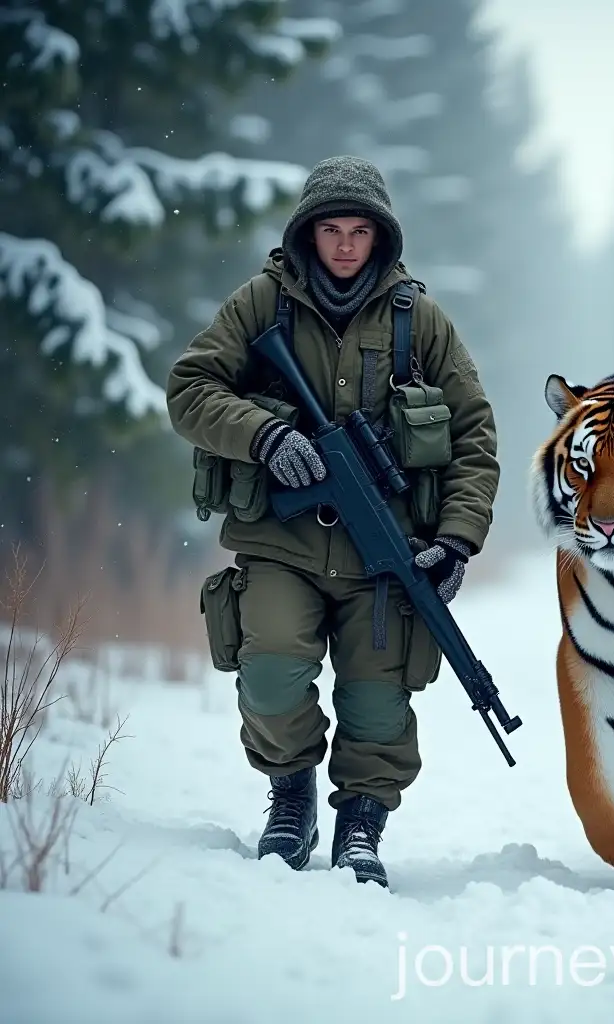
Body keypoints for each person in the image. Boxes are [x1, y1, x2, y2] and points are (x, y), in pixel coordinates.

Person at [165, 155, 499, 888]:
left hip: (388, 551)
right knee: (273, 670)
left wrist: (456, 539)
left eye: (359, 231)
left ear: (380, 238)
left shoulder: (421, 320)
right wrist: (264, 435)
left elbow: (474, 432)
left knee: (379, 700)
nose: (345, 245)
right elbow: (190, 389)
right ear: (307, 234)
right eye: (330, 229)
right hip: (280, 545)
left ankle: (361, 825)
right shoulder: (262, 304)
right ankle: (291, 797)